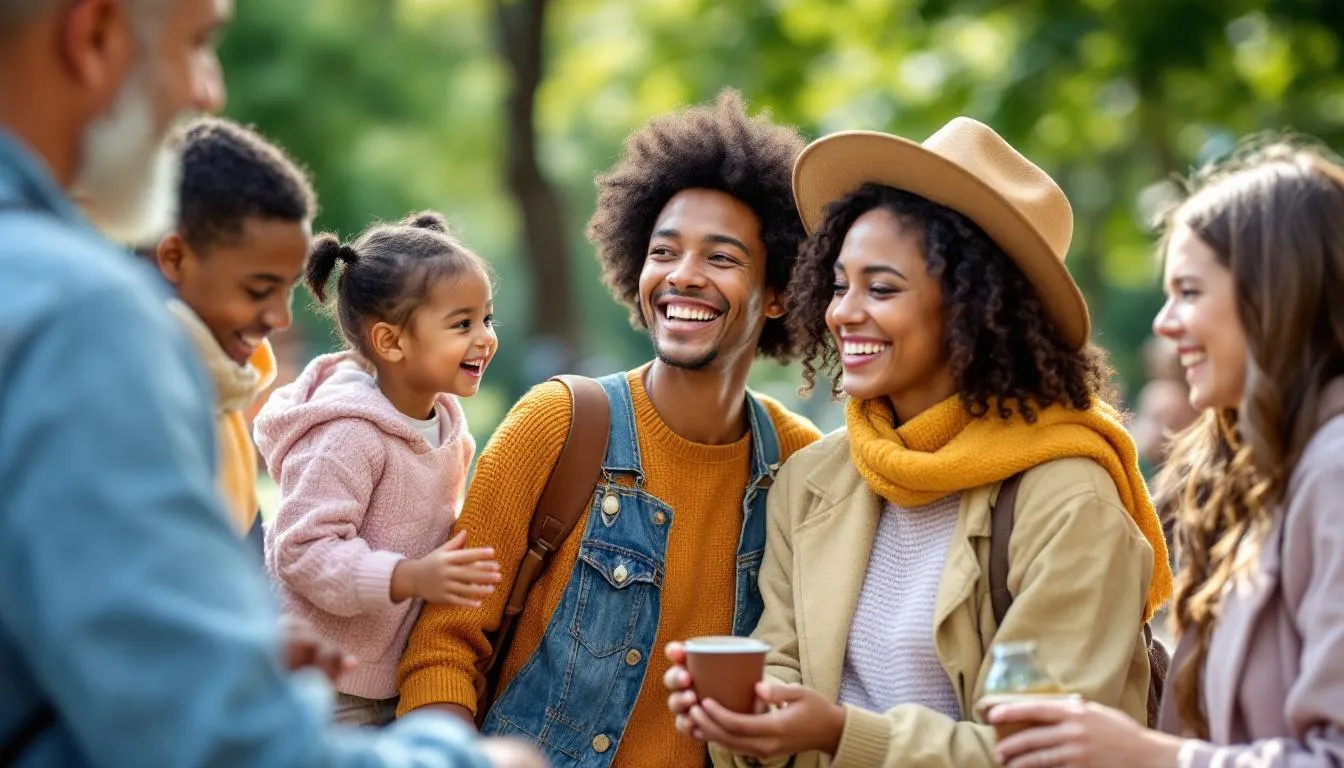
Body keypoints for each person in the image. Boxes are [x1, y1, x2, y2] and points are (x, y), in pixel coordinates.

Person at [0, 0, 539, 765]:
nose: (210, 93)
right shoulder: (79, 318)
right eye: (198, 46)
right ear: (92, 36)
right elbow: (211, 737)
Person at [665, 118, 1172, 768]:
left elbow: (1042, 755)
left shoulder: (1068, 499)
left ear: (973, 307)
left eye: (881, 288)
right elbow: (783, 676)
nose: (843, 312)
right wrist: (739, 720)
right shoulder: (815, 477)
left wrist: (839, 734)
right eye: (839, 283)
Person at [397, 90, 823, 767]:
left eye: (721, 258)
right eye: (664, 251)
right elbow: (447, 644)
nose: (683, 276)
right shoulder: (561, 423)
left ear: (778, 294)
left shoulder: (803, 463)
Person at [987, 141, 1344, 767]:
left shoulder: (1333, 473)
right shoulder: (1252, 473)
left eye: (1188, 291)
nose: (1164, 322)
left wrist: (1151, 755)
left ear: (1275, 297)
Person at [257, 212, 502, 727]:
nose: (484, 338)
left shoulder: (446, 426)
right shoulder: (347, 435)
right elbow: (301, 549)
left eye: (487, 319)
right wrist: (409, 577)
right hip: (325, 685)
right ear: (391, 342)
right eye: (462, 324)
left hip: (391, 678)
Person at [150, 115, 315, 542]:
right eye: (259, 289)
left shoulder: (223, 396)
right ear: (174, 258)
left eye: (287, 290)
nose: (281, 318)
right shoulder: (131, 400)